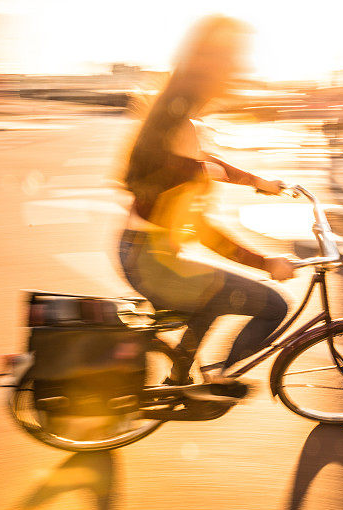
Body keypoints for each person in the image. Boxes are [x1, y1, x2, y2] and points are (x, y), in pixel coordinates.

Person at [118, 15, 295, 399]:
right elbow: (205, 233)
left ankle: (179, 378)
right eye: (227, 73)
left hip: (144, 254)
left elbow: (207, 164)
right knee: (273, 306)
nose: (232, 81)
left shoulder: (172, 126)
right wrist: (268, 265)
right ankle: (218, 374)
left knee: (212, 295)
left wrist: (259, 183)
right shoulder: (176, 154)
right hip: (154, 265)